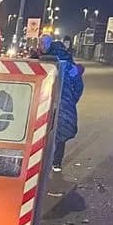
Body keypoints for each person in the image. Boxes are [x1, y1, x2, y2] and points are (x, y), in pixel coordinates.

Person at [40, 35, 84, 172]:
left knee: (42, 130)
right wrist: (70, 100)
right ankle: (56, 163)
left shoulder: (43, 62)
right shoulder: (69, 63)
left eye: (42, 43)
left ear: (48, 45)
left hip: (44, 102)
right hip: (63, 103)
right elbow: (78, 86)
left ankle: (42, 161)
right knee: (61, 131)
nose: (41, 46)